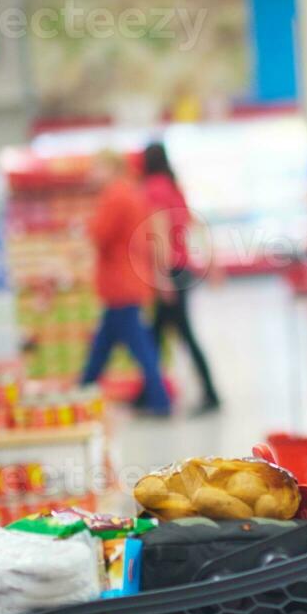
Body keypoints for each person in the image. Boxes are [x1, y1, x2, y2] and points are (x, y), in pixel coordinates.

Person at [78, 150, 171, 416]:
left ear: (111, 168)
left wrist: (86, 226)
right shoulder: (132, 192)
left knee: (140, 348)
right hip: (130, 278)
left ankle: (160, 400)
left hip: (120, 283)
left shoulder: (115, 196)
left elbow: (100, 234)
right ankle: (84, 391)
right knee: (106, 345)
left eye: (97, 167)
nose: (92, 174)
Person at [141, 142, 221, 416]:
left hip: (170, 270)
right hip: (183, 267)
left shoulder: (153, 189)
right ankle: (147, 394)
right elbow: (192, 226)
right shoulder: (174, 187)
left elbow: (159, 232)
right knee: (155, 335)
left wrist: (161, 276)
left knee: (179, 334)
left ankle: (210, 394)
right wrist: (211, 261)